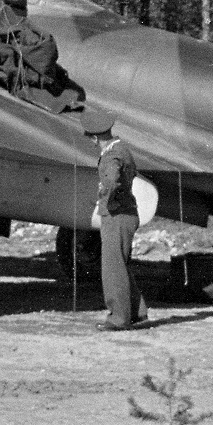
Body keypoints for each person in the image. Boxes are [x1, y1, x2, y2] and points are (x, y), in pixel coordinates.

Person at [84, 108, 146, 331]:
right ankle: (137, 312)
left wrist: (106, 200)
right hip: (126, 214)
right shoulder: (122, 149)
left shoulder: (112, 155)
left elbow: (112, 180)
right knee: (120, 264)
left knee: (113, 268)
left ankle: (119, 318)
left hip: (117, 215)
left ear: (94, 136)